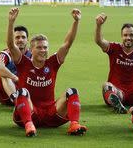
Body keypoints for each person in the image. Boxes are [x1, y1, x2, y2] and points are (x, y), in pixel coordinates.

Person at [7, 8, 87, 137]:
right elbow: (11, 45)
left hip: (50, 113)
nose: (43, 50)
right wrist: (11, 22)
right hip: (29, 113)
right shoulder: (23, 63)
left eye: (45, 47)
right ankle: (29, 125)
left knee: (72, 91)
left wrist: (76, 22)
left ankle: (74, 124)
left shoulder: (53, 62)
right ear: (31, 49)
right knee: (22, 92)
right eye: (39, 47)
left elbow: (67, 44)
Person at [0, 25, 31, 106]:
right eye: (17, 37)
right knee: (4, 74)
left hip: (25, 90)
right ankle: (18, 103)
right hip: (6, 95)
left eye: (23, 37)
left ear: (27, 40)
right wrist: (15, 78)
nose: (20, 40)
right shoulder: (6, 54)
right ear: (12, 40)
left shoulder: (32, 55)